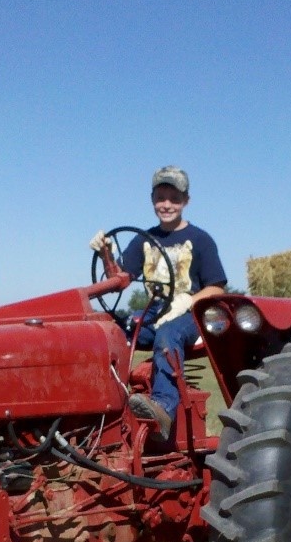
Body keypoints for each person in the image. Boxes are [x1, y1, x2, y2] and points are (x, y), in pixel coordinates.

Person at [91, 165, 226, 440]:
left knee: (168, 333)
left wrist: (188, 301)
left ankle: (163, 407)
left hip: (190, 315)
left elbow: (217, 288)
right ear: (152, 199)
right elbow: (119, 279)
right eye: (161, 198)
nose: (167, 205)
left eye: (174, 199)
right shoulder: (144, 240)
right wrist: (106, 253)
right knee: (114, 331)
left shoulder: (200, 240)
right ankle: (106, 402)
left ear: (186, 201)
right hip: (155, 310)